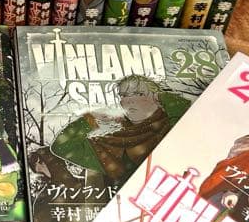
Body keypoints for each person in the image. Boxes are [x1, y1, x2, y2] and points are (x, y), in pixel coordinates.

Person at [37, 75, 190, 191]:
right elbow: (61, 146)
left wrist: (162, 95)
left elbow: (187, 108)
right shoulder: (114, 142)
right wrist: (91, 118)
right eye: (123, 95)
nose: (129, 100)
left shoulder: (176, 125)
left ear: (156, 97)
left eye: (138, 93)